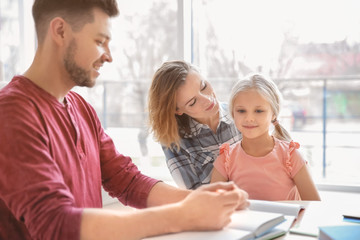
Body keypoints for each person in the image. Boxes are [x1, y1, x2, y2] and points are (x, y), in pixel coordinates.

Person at [0, 1, 250, 240]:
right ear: (60, 31)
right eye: (100, 41)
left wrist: (194, 200)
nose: (108, 56)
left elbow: (127, 181)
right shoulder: (12, 113)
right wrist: (183, 215)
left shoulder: (80, 108)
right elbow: (56, 224)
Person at [211, 73, 321, 201]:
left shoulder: (291, 156)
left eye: (258, 111)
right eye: (241, 111)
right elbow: (213, 206)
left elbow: (313, 206)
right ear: (233, 113)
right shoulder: (226, 158)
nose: (249, 118)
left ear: (274, 113)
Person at [148, 60, 242, 189]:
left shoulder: (242, 114)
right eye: (192, 102)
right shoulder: (174, 142)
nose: (207, 99)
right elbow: (194, 196)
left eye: (203, 86)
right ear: (177, 110)